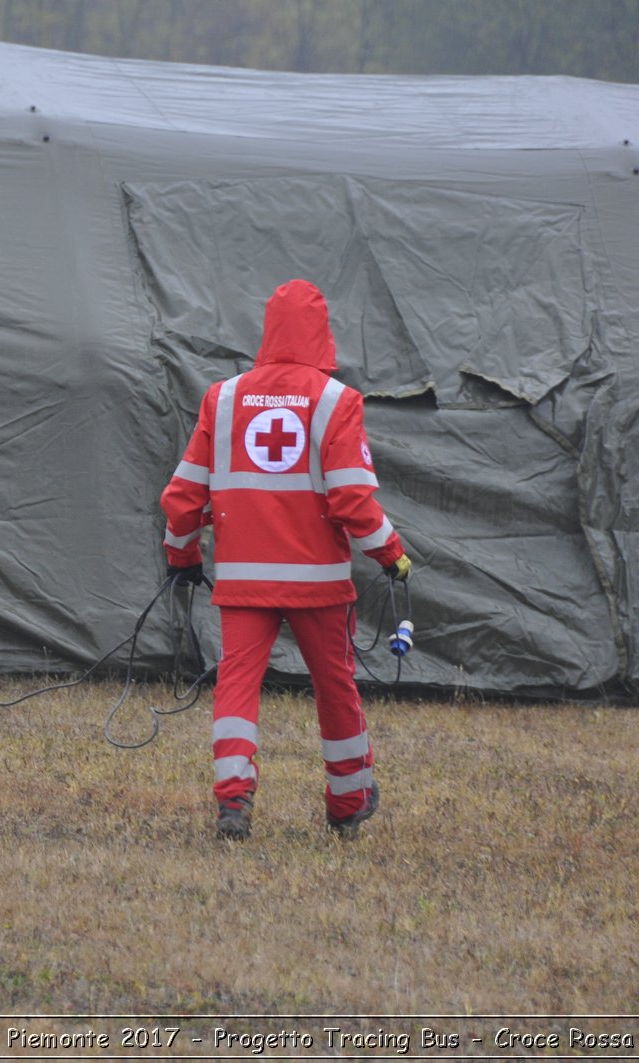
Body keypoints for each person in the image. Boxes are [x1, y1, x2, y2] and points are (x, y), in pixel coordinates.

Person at [160, 279, 411, 840]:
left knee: (236, 684)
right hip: (318, 584)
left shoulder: (222, 399)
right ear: (324, 335)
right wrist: (393, 555)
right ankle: (347, 801)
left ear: (268, 331)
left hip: (244, 578)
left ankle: (233, 800)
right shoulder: (336, 402)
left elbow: (182, 498)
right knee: (335, 686)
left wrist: (181, 556)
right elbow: (352, 501)